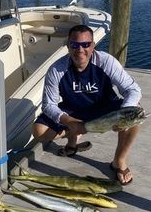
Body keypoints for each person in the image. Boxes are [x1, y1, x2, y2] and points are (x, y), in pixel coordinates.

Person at [32, 24, 141, 185]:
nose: (80, 49)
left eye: (85, 44)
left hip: (104, 107)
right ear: (68, 46)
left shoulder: (106, 61)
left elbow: (132, 89)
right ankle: (74, 135)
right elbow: (48, 105)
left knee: (135, 112)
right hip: (74, 110)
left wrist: (122, 115)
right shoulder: (56, 69)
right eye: (75, 44)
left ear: (93, 46)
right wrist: (70, 122)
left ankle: (119, 161)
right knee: (39, 131)